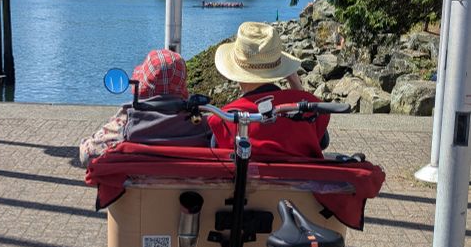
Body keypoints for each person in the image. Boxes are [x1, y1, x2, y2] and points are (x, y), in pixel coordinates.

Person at [207, 21, 329, 159]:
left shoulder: (225, 119)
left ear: (236, 72)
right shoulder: (309, 110)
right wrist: (297, 87)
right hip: (304, 179)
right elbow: (323, 142)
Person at [79, 48, 211, 166]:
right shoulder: (202, 126)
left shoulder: (125, 126)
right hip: (190, 190)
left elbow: (88, 155)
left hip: (132, 191)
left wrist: (86, 141)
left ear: (141, 85)